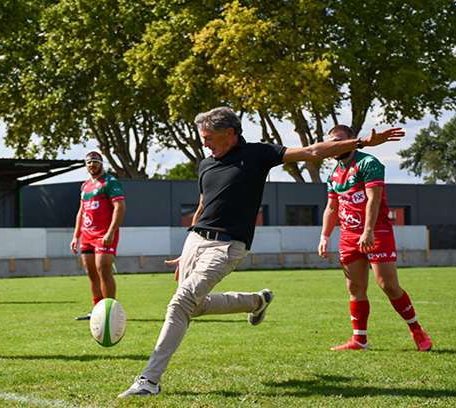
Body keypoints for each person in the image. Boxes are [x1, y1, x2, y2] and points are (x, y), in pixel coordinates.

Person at [118, 107, 405, 398]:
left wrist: (361, 142)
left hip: (227, 245)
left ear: (230, 133)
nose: (205, 143)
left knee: (180, 303)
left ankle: (149, 380)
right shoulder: (205, 164)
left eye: (209, 137)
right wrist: (187, 249)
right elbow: (204, 206)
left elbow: (312, 152)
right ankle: (257, 301)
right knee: (195, 306)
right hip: (195, 241)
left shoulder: (258, 154)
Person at [318, 125, 432, 352]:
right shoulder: (333, 174)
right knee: (355, 288)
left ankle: (417, 331)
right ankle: (359, 340)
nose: (334, 146)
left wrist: (368, 231)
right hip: (348, 237)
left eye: (339, 141)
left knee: (389, 286)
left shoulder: (368, 163)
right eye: (331, 142)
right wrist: (324, 236)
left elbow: (374, 199)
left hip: (377, 231)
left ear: (352, 140)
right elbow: (331, 208)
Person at [70, 151, 126, 320]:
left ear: (101, 163)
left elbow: (119, 207)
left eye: (95, 161)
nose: (92, 165)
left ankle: (110, 310)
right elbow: (81, 211)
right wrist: (76, 236)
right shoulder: (85, 186)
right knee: (92, 272)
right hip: (87, 236)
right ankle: (97, 309)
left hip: (104, 235)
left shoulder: (110, 182)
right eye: (88, 162)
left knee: (103, 269)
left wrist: (111, 231)